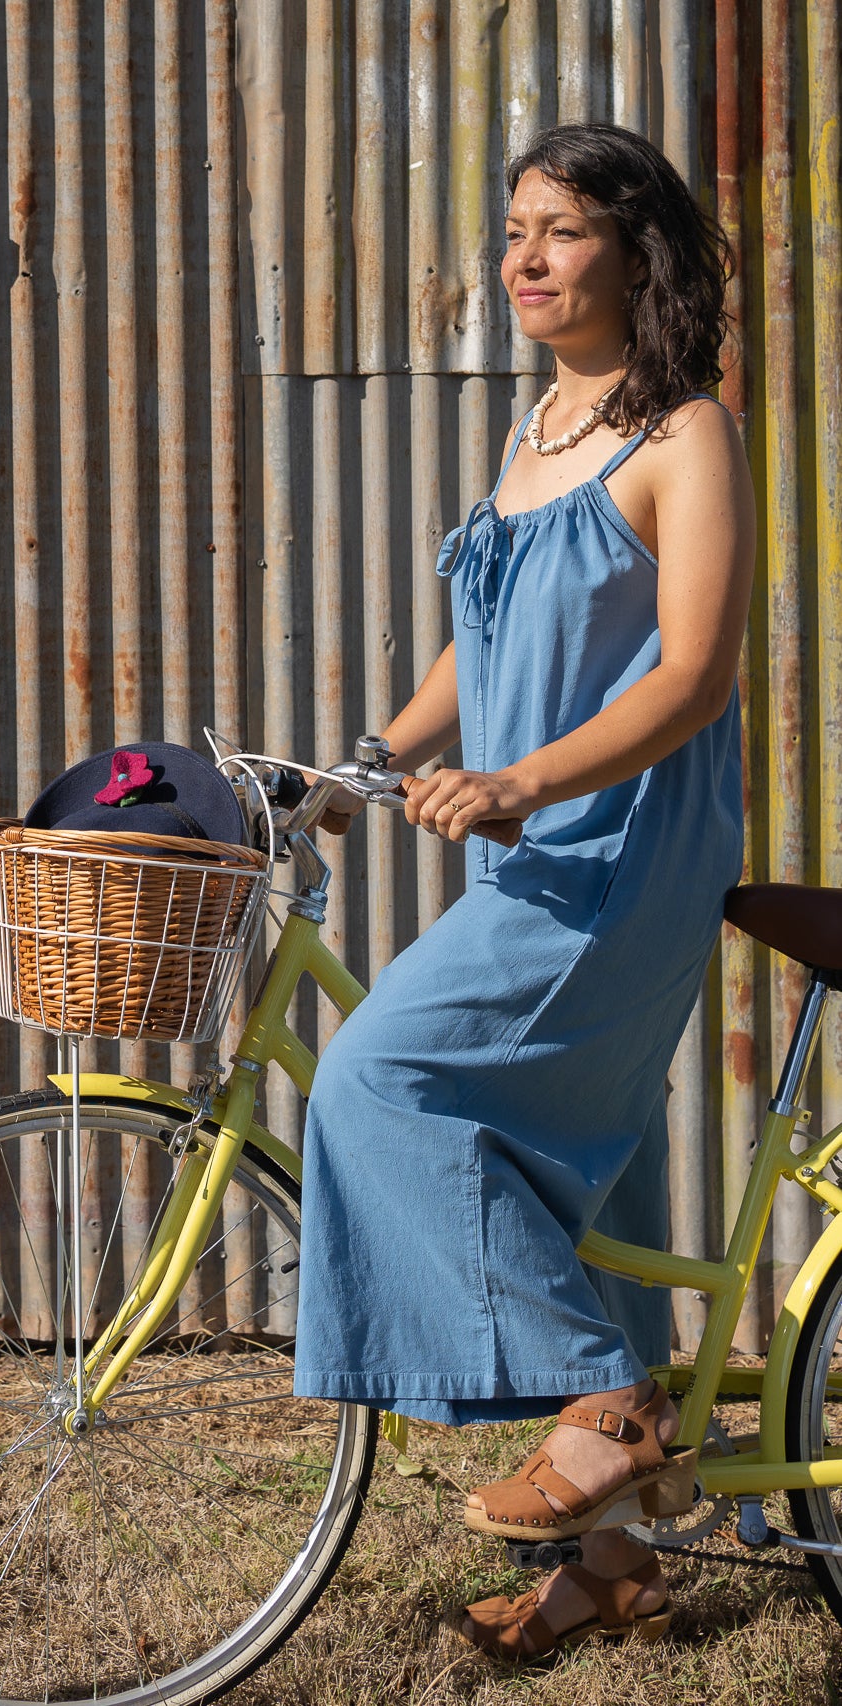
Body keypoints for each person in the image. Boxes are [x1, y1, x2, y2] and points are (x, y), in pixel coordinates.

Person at [293, 121, 754, 1659]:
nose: (524, 260)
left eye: (560, 230)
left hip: (619, 850)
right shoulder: (542, 423)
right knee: (590, 1184)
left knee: (377, 1080)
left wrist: (517, 783)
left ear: (634, 250)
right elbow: (482, 634)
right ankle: (612, 1572)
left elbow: (693, 674)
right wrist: (368, 758)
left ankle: (607, 1409)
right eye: (511, 232)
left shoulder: (683, 434)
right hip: (544, 845)